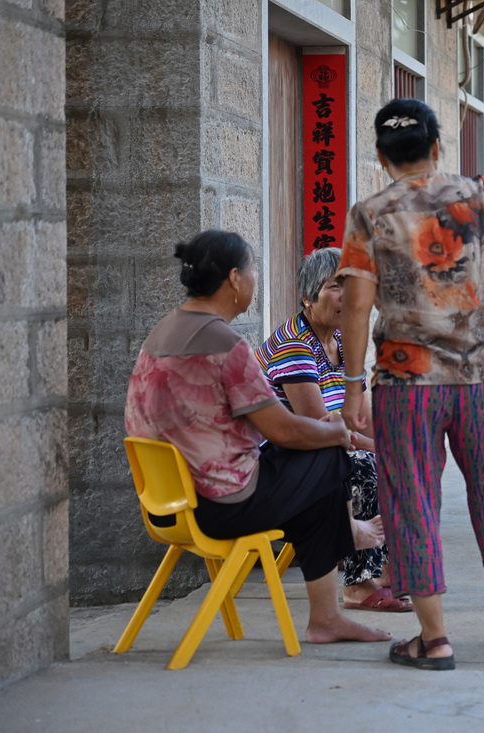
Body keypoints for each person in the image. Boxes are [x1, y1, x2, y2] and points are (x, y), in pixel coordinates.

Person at [337, 98, 484, 671]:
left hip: (404, 380)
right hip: (480, 376)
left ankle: (434, 638)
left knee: (410, 498)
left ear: (380, 154)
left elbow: (358, 302)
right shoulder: (478, 195)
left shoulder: (370, 212)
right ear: (437, 146)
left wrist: (352, 384)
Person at [125, 229, 392, 646]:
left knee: (320, 481)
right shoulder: (226, 345)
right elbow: (284, 430)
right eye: (251, 271)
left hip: (168, 504)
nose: (254, 281)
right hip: (220, 505)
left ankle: (330, 608)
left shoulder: (159, 336)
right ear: (234, 279)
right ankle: (333, 592)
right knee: (327, 459)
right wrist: (338, 433)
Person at [256, 248, 412, 613]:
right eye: (334, 288)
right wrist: (376, 450)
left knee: (400, 461)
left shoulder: (341, 341)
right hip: (279, 461)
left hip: (320, 448)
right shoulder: (293, 345)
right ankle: (359, 584)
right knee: (363, 466)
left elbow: (360, 416)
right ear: (308, 297)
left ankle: (388, 571)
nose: (348, 297)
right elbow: (318, 430)